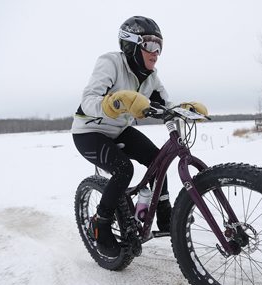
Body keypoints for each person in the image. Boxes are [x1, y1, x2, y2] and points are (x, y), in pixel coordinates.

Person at [71, 16, 208, 257]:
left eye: (160, 47)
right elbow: (88, 100)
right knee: (123, 169)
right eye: (150, 45)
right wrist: (117, 101)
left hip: (118, 130)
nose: (156, 53)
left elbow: (167, 105)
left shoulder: (151, 77)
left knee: (158, 160)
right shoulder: (110, 63)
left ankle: (165, 215)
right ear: (131, 45)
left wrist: (185, 109)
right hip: (89, 131)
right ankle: (101, 224)